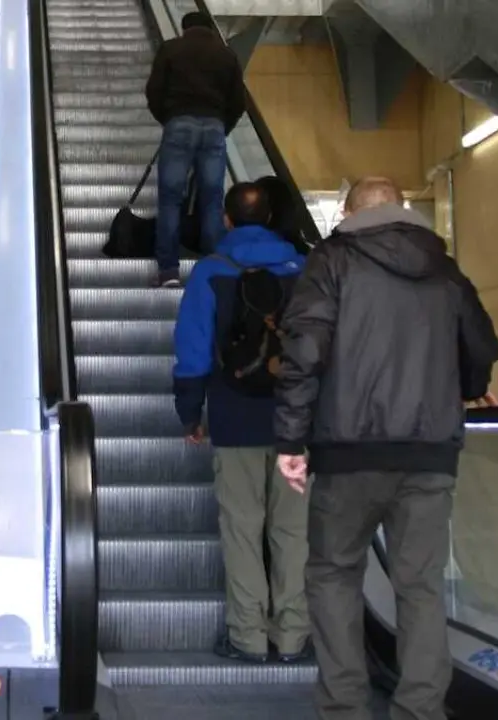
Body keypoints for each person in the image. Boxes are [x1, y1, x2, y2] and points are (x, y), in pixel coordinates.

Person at [273, 177, 498, 720]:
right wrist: (467, 388)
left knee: (333, 576)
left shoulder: (331, 260)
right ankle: (421, 711)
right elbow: (479, 344)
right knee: (420, 586)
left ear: (348, 212)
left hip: (347, 452)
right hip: (429, 454)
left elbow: (304, 349)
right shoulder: (444, 268)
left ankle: (344, 708)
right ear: (403, 210)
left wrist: (290, 438)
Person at [172, 182, 310, 663]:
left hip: (234, 419)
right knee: (294, 531)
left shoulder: (211, 271)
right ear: (270, 218)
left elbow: (191, 353)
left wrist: (191, 414)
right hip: (298, 423)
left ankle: (248, 636)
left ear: (227, 220)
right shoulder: (306, 269)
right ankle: (293, 636)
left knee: (242, 529)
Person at [145, 11, 247, 288]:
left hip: (179, 124)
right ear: (210, 29)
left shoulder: (171, 49)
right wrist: (221, 126)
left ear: (184, 27)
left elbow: (154, 91)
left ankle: (168, 271)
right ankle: (213, 270)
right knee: (212, 200)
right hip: (214, 126)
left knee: (170, 200)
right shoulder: (227, 56)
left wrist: (170, 118)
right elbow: (239, 99)